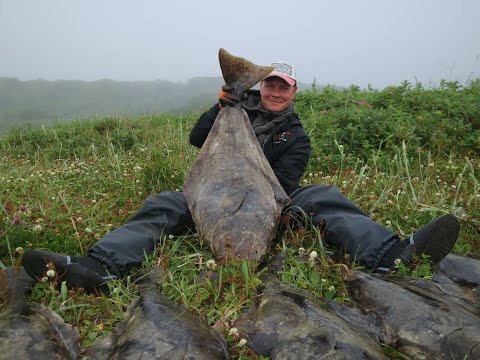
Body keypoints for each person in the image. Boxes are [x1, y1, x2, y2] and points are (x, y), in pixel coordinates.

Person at [22, 61, 460, 293]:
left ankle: (393, 255)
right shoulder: (234, 111)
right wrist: (223, 105)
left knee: (322, 195)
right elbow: (197, 139)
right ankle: (98, 268)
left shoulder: (296, 135)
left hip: (270, 201)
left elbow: (286, 184)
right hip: (210, 193)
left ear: (293, 92)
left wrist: (269, 209)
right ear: (260, 86)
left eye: (282, 87)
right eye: (268, 85)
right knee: (164, 204)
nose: (273, 92)